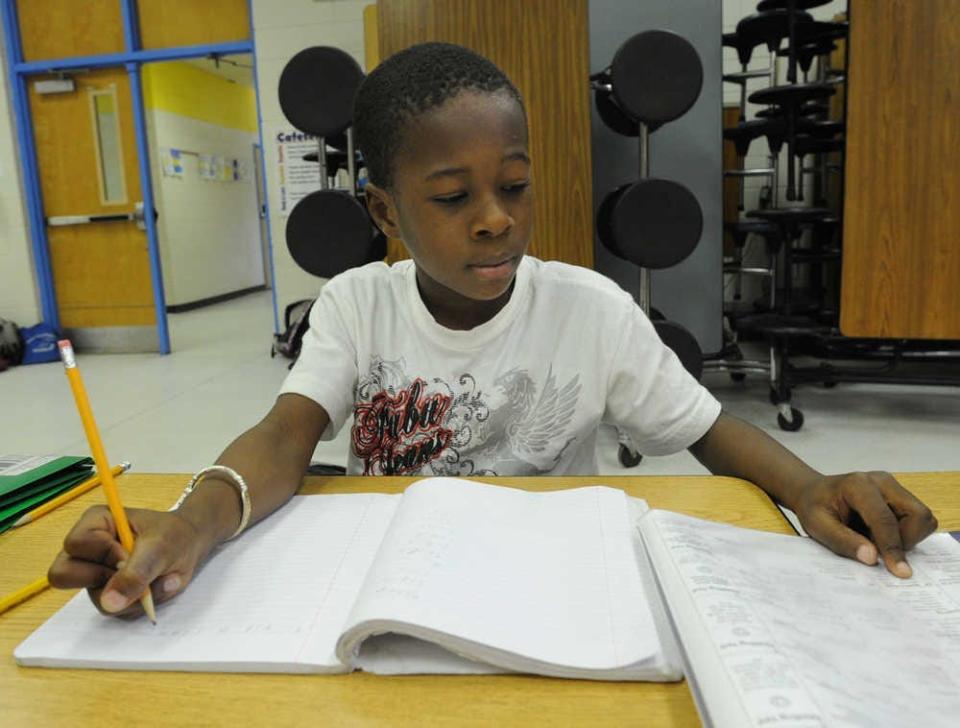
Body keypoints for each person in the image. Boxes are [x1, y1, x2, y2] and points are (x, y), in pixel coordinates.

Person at [48, 43, 937, 619]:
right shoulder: (358, 303)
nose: (494, 220)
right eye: (450, 197)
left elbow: (710, 430)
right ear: (386, 211)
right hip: (393, 588)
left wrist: (813, 485)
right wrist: (193, 524)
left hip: (546, 592)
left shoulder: (588, 309)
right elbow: (286, 436)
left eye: (514, 187)